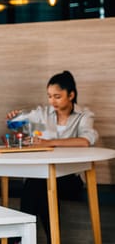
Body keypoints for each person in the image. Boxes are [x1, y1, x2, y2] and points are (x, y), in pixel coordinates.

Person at [6, 70, 98, 244]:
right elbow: (20, 123)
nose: (52, 101)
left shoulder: (84, 116)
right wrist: (14, 118)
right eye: (49, 96)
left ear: (71, 95)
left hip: (69, 178)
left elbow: (85, 141)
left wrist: (50, 142)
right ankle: (49, 240)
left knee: (37, 184)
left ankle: (18, 239)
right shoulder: (42, 113)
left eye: (57, 96)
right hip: (43, 175)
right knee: (40, 184)